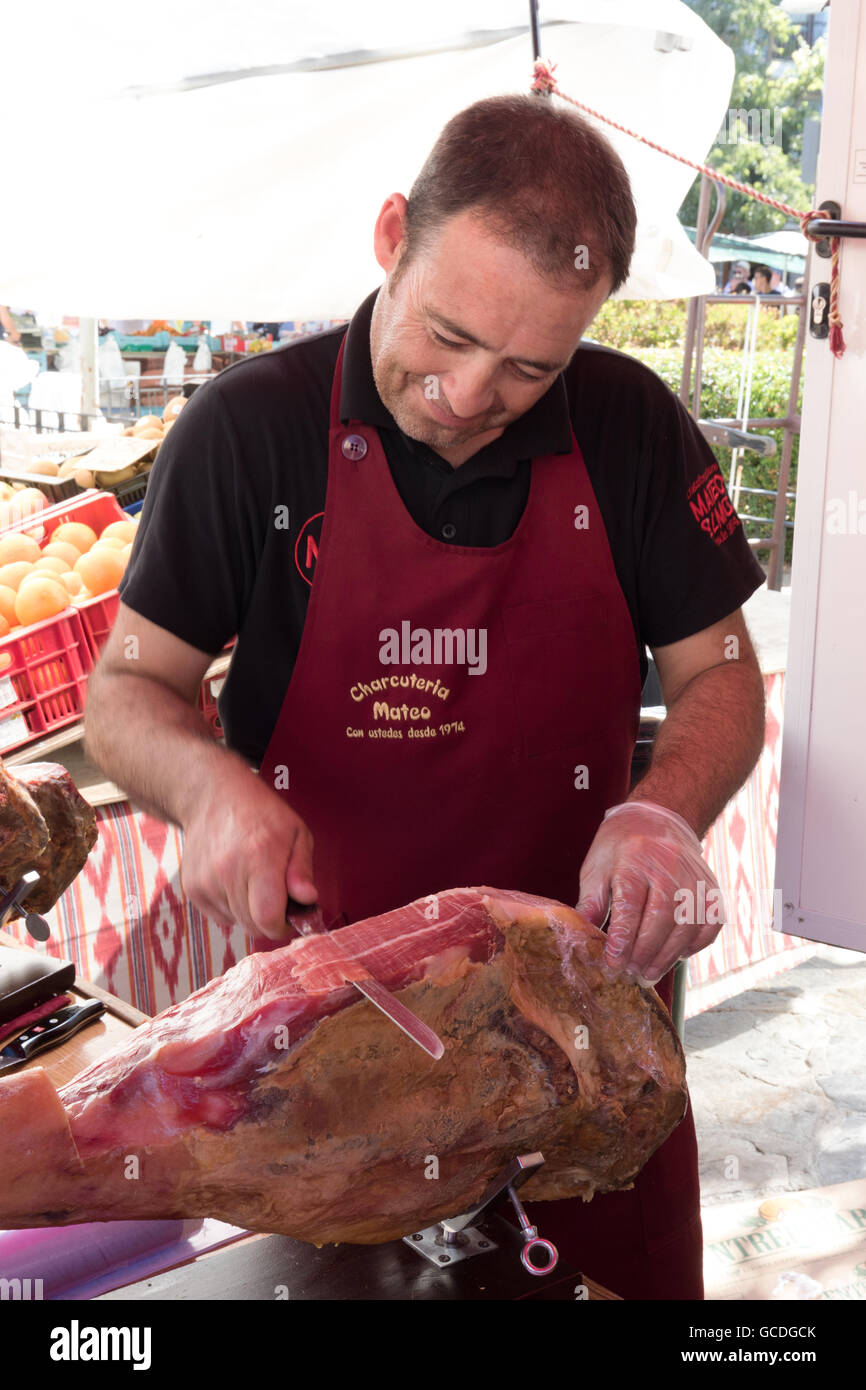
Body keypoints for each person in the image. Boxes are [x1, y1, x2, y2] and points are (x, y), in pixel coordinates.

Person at [84, 93, 766, 1301]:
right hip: (332, 1055)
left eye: (524, 369)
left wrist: (663, 812)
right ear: (392, 234)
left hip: (584, 1048)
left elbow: (719, 673)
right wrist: (208, 785)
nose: (465, 395)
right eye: (445, 337)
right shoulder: (247, 430)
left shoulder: (631, 432)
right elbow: (132, 689)